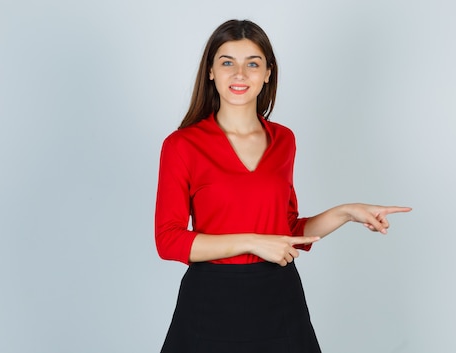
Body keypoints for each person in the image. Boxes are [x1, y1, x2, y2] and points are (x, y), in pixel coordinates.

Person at [154, 19, 411, 352]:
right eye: (227, 62)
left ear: (268, 73)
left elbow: (286, 229)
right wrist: (252, 243)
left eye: (253, 63)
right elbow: (168, 240)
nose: (240, 74)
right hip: (210, 300)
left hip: (278, 296)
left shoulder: (283, 140)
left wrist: (347, 212)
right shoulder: (182, 145)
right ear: (211, 72)